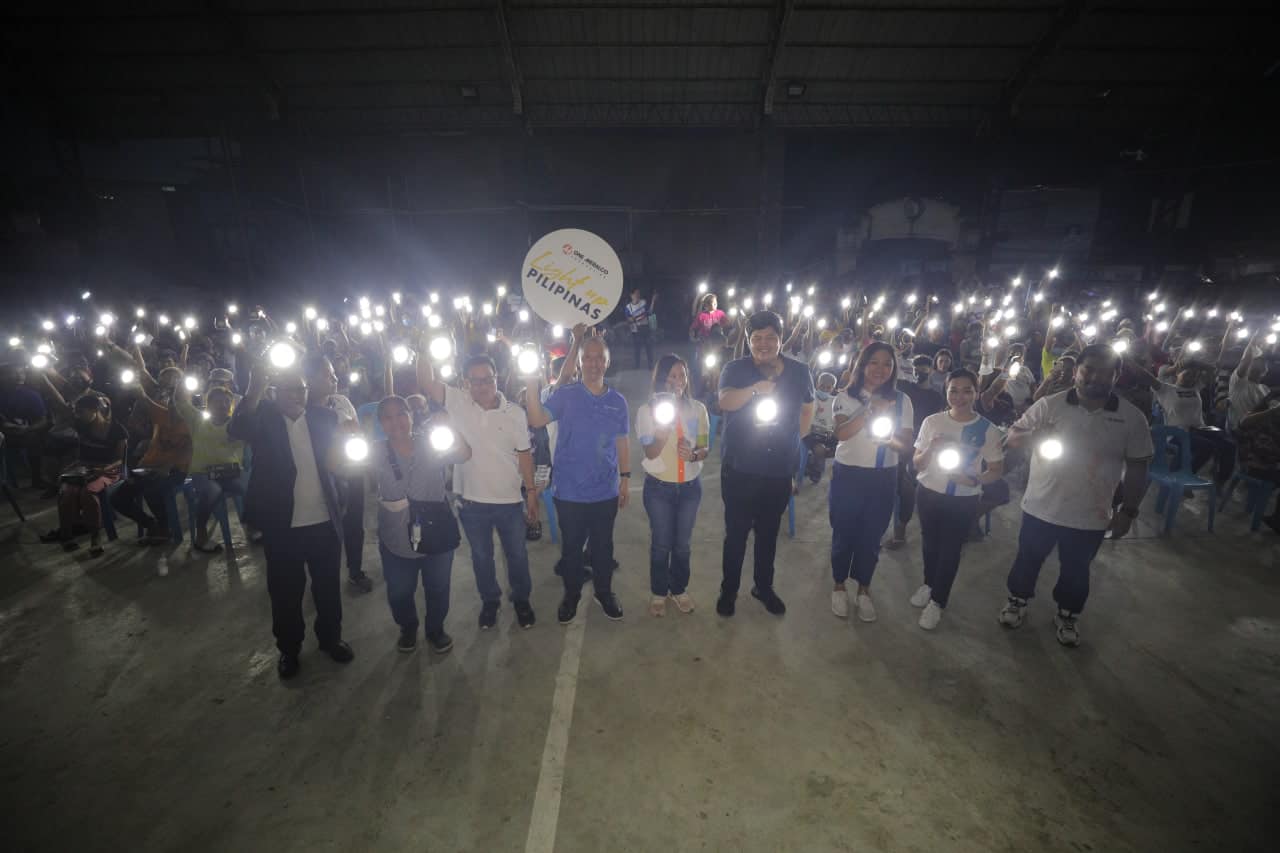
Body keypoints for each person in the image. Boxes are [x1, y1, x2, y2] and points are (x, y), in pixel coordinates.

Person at [998, 345, 1153, 647]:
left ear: (1116, 376)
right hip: (1041, 506)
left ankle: (1068, 614)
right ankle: (1017, 600)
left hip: (1091, 513)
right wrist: (1035, 436)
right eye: (1088, 370)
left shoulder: (1131, 418)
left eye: (1105, 372)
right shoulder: (1049, 405)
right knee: (1028, 558)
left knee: (1077, 570)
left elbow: (1138, 466)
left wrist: (1128, 511)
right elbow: (1013, 438)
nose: (1095, 377)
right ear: (1076, 372)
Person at [228, 361, 353, 680]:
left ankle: (331, 638)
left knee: (328, 588)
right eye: (290, 389)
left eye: (302, 389)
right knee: (285, 593)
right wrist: (255, 386)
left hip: (323, 521)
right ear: (275, 393)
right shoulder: (265, 421)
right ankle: (289, 648)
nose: (297, 395)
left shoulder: (324, 418)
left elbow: (339, 461)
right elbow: (236, 429)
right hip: (283, 526)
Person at [418, 348, 539, 630]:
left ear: (497, 378)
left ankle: (521, 599)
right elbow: (426, 381)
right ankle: (490, 601)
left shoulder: (515, 413)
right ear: (466, 383)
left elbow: (524, 455)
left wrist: (531, 492)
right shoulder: (458, 402)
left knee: (517, 555)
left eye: (488, 379)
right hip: (471, 502)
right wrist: (423, 346)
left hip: (509, 500)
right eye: (476, 380)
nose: (483, 386)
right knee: (482, 557)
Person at [525, 326, 631, 624]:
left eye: (599, 358)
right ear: (580, 362)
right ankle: (571, 594)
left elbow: (622, 441)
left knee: (603, 547)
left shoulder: (618, 401)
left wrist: (625, 477)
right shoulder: (566, 395)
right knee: (571, 549)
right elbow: (536, 419)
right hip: (569, 491)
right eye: (588, 358)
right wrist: (530, 381)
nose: (594, 363)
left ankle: (604, 592)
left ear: (607, 362)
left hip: (605, 491)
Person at [715, 311, 814, 617]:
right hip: (740, 468)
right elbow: (725, 401)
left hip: (779, 471)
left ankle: (763, 587)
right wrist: (755, 389)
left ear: (781, 339)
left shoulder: (799, 371)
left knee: (769, 533)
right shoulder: (735, 368)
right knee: (736, 534)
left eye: (771, 337)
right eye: (757, 338)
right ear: (748, 340)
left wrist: (795, 439)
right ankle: (729, 590)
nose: (764, 344)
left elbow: (808, 407)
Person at [372, 395, 471, 654]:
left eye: (401, 414)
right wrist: (344, 437)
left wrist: (449, 427)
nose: (396, 422)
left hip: (436, 532)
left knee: (438, 587)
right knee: (399, 592)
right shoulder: (375, 451)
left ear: (411, 415)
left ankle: (435, 629)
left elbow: (464, 454)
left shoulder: (431, 443)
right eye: (387, 417)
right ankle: (408, 627)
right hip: (395, 538)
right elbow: (339, 466)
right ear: (380, 423)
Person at [910, 369, 1005, 629]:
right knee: (929, 543)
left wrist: (973, 480)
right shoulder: (932, 422)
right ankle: (929, 584)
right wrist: (932, 447)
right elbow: (917, 463)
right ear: (946, 391)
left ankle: (938, 602)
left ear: (976, 393)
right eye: (953, 390)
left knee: (951, 550)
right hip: (928, 492)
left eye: (967, 391)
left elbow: (996, 470)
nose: (959, 397)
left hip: (962, 499)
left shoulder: (987, 429)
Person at [828, 342, 914, 622]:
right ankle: (839, 585)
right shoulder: (846, 396)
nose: (880, 369)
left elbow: (905, 444)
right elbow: (841, 433)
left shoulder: (902, 401)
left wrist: (890, 441)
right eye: (874, 362)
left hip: (883, 476)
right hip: (848, 473)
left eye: (887, 364)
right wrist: (868, 411)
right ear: (862, 364)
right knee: (843, 531)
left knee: (872, 535)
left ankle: (864, 588)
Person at [636, 354, 710, 617]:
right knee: (661, 544)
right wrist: (662, 432)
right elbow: (650, 453)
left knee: (682, 545)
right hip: (659, 489)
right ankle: (659, 591)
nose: (677, 381)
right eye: (671, 377)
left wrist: (693, 454)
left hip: (690, 488)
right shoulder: (647, 411)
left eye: (681, 375)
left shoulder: (698, 409)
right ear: (660, 380)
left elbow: (704, 447)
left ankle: (678, 588)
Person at [303, 354, 374, 592]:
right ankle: (321, 575)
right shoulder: (302, 413)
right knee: (325, 527)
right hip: (322, 475)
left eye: (333, 373)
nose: (334, 378)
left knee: (354, 521)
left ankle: (355, 569)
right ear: (310, 380)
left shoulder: (342, 401)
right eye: (328, 375)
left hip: (351, 468)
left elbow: (356, 430)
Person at [110, 366, 191, 543]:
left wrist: (166, 467)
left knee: (151, 490)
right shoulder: (162, 414)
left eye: (179, 402)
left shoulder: (193, 422)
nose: (175, 406)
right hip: (149, 468)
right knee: (117, 497)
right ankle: (150, 524)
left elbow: (189, 453)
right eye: (172, 402)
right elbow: (144, 398)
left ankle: (165, 528)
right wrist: (137, 385)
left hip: (177, 470)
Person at [1132, 359, 1235, 487]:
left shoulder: (1196, 388)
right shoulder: (1166, 389)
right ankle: (1183, 476)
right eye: (1187, 374)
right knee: (1207, 446)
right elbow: (1145, 376)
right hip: (1178, 433)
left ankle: (1220, 480)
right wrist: (1127, 360)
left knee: (1229, 444)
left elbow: (1214, 369)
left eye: (1194, 376)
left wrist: (1196, 362)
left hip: (1200, 429)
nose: (1191, 378)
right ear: (1178, 373)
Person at [174, 383, 246, 553]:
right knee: (213, 490)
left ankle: (253, 524)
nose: (223, 405)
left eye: (227, 401)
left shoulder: (237, 424)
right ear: (208, 403)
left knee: (250, 485)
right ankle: (201, 534)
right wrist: (183, 377)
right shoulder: (198, 420)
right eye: (218, 401)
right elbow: (180, 400)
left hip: (230, 472)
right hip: (203, 473)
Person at [55, 395, 128, 556]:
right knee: (67, 492)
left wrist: (102, 469)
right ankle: (67, 534)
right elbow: (61, 412)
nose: (78, 415)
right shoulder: (81, 425)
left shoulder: (117, 430)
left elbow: (119, 460)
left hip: (109, 470)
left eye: (81, 411)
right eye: (77, 412)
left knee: (88, 492)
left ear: (95, 410)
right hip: (84, 467)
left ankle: (96, 537)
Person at [884, 355, 944, 550]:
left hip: (921, 444)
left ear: (931, 371)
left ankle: (900, 531)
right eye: (916, 369)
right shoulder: (904, 388)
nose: (920, 373)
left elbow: (936, 424)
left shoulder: (936, 396)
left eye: (924, 369)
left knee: (908, 485)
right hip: (899, 440)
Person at [0, 363, 51, 490]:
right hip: (2, 433)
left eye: (22, 373)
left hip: (23, 433)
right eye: (14, 373)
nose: (19, 376)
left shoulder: (31, 395)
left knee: (34, 439)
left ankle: (37, 479)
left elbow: (43, 420)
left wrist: (27, 429)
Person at [1228, 330, 1269, 432]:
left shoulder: (1266, 390)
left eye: (1261, 362)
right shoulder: (1239, 382)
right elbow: (1246, 359)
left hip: (1259, 431)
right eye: (1255, 361)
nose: (1258, 362)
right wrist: (1254, 338)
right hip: (1239, 431)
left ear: (1265, 371)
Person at [625, 288, 655, 370]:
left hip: (645, 327)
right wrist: (639, 317)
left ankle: (650, 365)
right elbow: (629, 319)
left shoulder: (643, 302)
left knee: (648, 347)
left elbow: (649, 312)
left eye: (638, 293)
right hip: (636, 330)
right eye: (636, 293)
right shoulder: (628, 307)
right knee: (637, 348)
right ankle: (637, 365)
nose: (638, 295)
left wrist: (653, 301)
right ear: (631, 295)